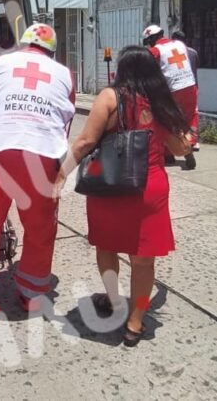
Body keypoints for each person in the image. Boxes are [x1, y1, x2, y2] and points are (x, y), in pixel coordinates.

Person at [56, 46, 193, 346]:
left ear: (122, 70)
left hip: (109, 185)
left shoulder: (109, 97)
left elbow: (85, 142)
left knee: (106, 247)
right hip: (149, 187)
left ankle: (114, 300)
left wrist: (60, 176)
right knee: (143, 261)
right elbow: (181, 148)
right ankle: (135, 322)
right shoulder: (160, 102)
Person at [0, 23, 76, 339]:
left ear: (23, 45)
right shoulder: (65, 74)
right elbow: (64, 121)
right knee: (40, 230)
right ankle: (32, 296)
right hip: (42, 157)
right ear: (52, 50)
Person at [142, 24, 199, 170]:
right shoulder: (180, 44)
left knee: (167, 121)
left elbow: (148, 71)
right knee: (189, 118)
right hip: (190, 86)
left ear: (151, 39)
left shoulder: (155, 51)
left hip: (172, 90)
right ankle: (190, 145)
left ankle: (169, 155)